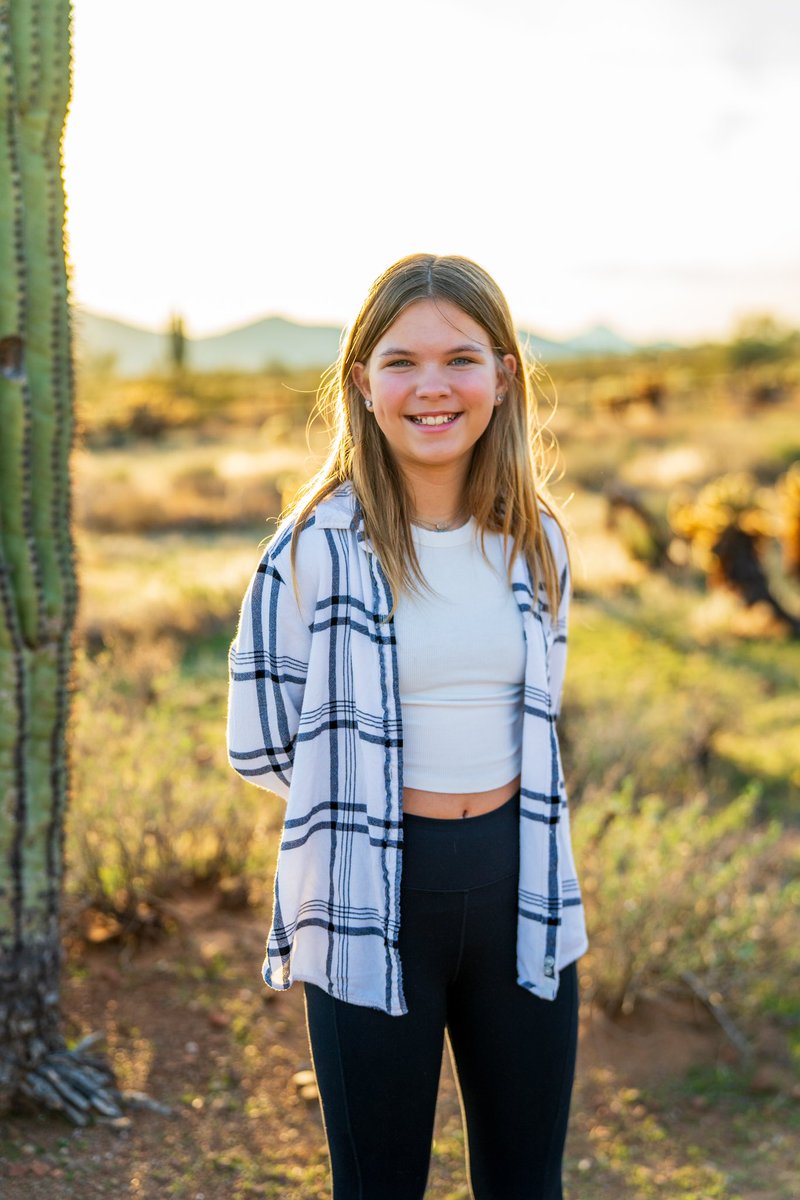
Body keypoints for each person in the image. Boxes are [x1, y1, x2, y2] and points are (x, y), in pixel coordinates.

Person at [227, 253, 587, 1200]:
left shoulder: (538, 538)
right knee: (379, 1186)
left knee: (527, 1184)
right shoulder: (311, 549)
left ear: (505, 377)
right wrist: (370, 798)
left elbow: (539, 709)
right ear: (362, 383)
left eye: (461, 359)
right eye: (401, 362)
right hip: (367, 897)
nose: (433, 387)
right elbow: (260, 740)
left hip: (522, 883)